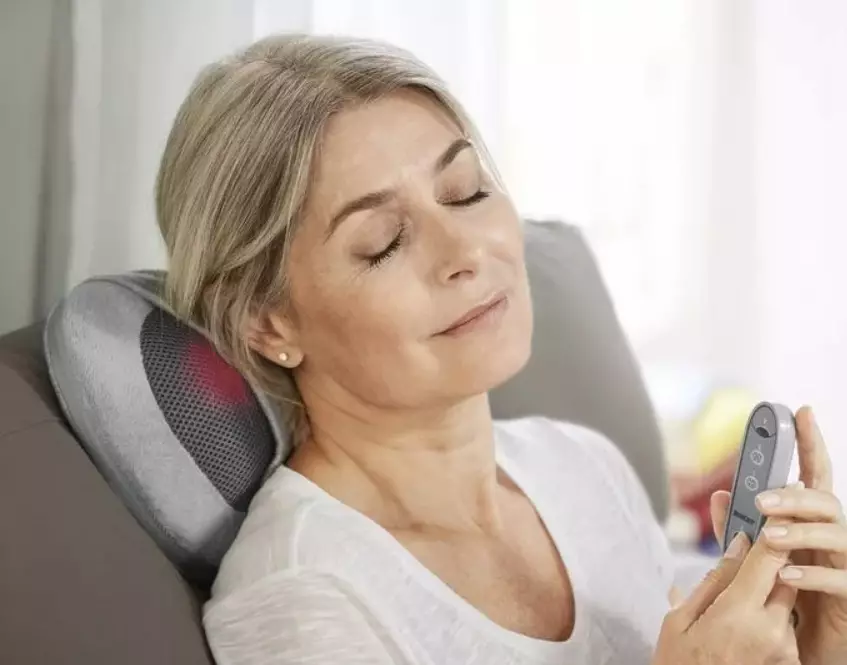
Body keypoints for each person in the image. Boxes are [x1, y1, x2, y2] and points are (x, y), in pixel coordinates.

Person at [155, 33, 847, 665]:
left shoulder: (587, 469)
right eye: (383, 242)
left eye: (466, 191)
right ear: (267, 322)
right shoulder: (302, 598)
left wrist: (818, 651)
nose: (466, 250)